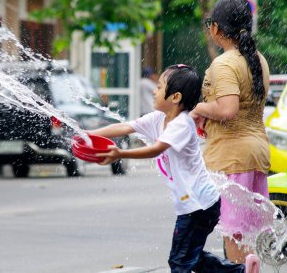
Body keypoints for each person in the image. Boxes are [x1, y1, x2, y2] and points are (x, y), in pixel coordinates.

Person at [87, 64, 258, 272]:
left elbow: (156, 149)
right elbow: (125, 127)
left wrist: (120, 154)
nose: (153, 90)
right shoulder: (158, 119)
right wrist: (89, 134)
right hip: (197, 205)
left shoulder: (181, 124)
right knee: (189, 257)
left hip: (200, 206)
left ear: (175, 97)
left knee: (179, 262)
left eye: (159, 87)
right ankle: (242, 271)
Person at [189, 0, 270, 265]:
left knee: (234, 234)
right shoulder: (258, 59)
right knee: (244, 233)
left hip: (233, 156)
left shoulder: (225, 64)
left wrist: (198, 108)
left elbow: (227, 109)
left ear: (215, 29)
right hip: (255, 153)